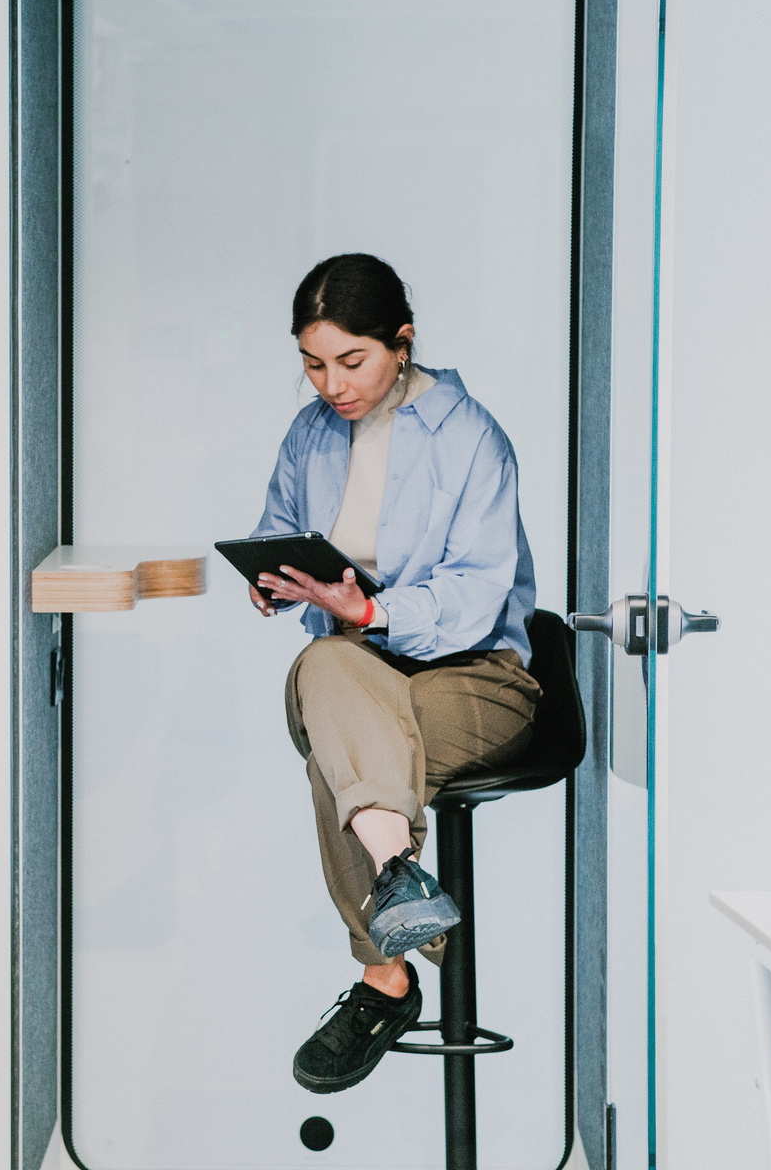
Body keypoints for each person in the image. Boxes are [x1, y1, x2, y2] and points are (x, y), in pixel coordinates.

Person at [248, 253, 540, 1094]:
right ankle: (398, 877)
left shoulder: (471, 437)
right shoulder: (309, 432)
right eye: (311, 363)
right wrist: (278, 581)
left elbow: (477, 595)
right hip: (362, 672)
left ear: (401, 343)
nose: (330, 384)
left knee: (336, 745)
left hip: (477, 676)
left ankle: (388, 978)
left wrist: (368, 613)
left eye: (352, 361)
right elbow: (281, 529)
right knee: (328, 668)